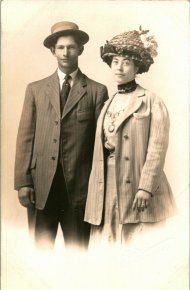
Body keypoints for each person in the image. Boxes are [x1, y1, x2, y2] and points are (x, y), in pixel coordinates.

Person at [14, 21, 108, 250]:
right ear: (52, 51)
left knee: (78, 253)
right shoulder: (35, 89)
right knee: (40, 253)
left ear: (81, 50)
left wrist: (99, 188)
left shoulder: (97, 91)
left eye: (72, 47)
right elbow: (25, 136)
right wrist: (23, 182)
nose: (66, 52)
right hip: (41, 187)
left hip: (79, 189)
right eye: (61, 47)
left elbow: (101, 144)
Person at [84, 26, 177, 249]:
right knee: (109, 245)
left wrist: (145, 187)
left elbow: (157, 148)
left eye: (126, 62)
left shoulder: (152, 101)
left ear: (137, 67)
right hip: (108, 185)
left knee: (139, 246)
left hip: (137, 182)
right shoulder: (108, 102)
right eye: (116, 61)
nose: (120, 67)